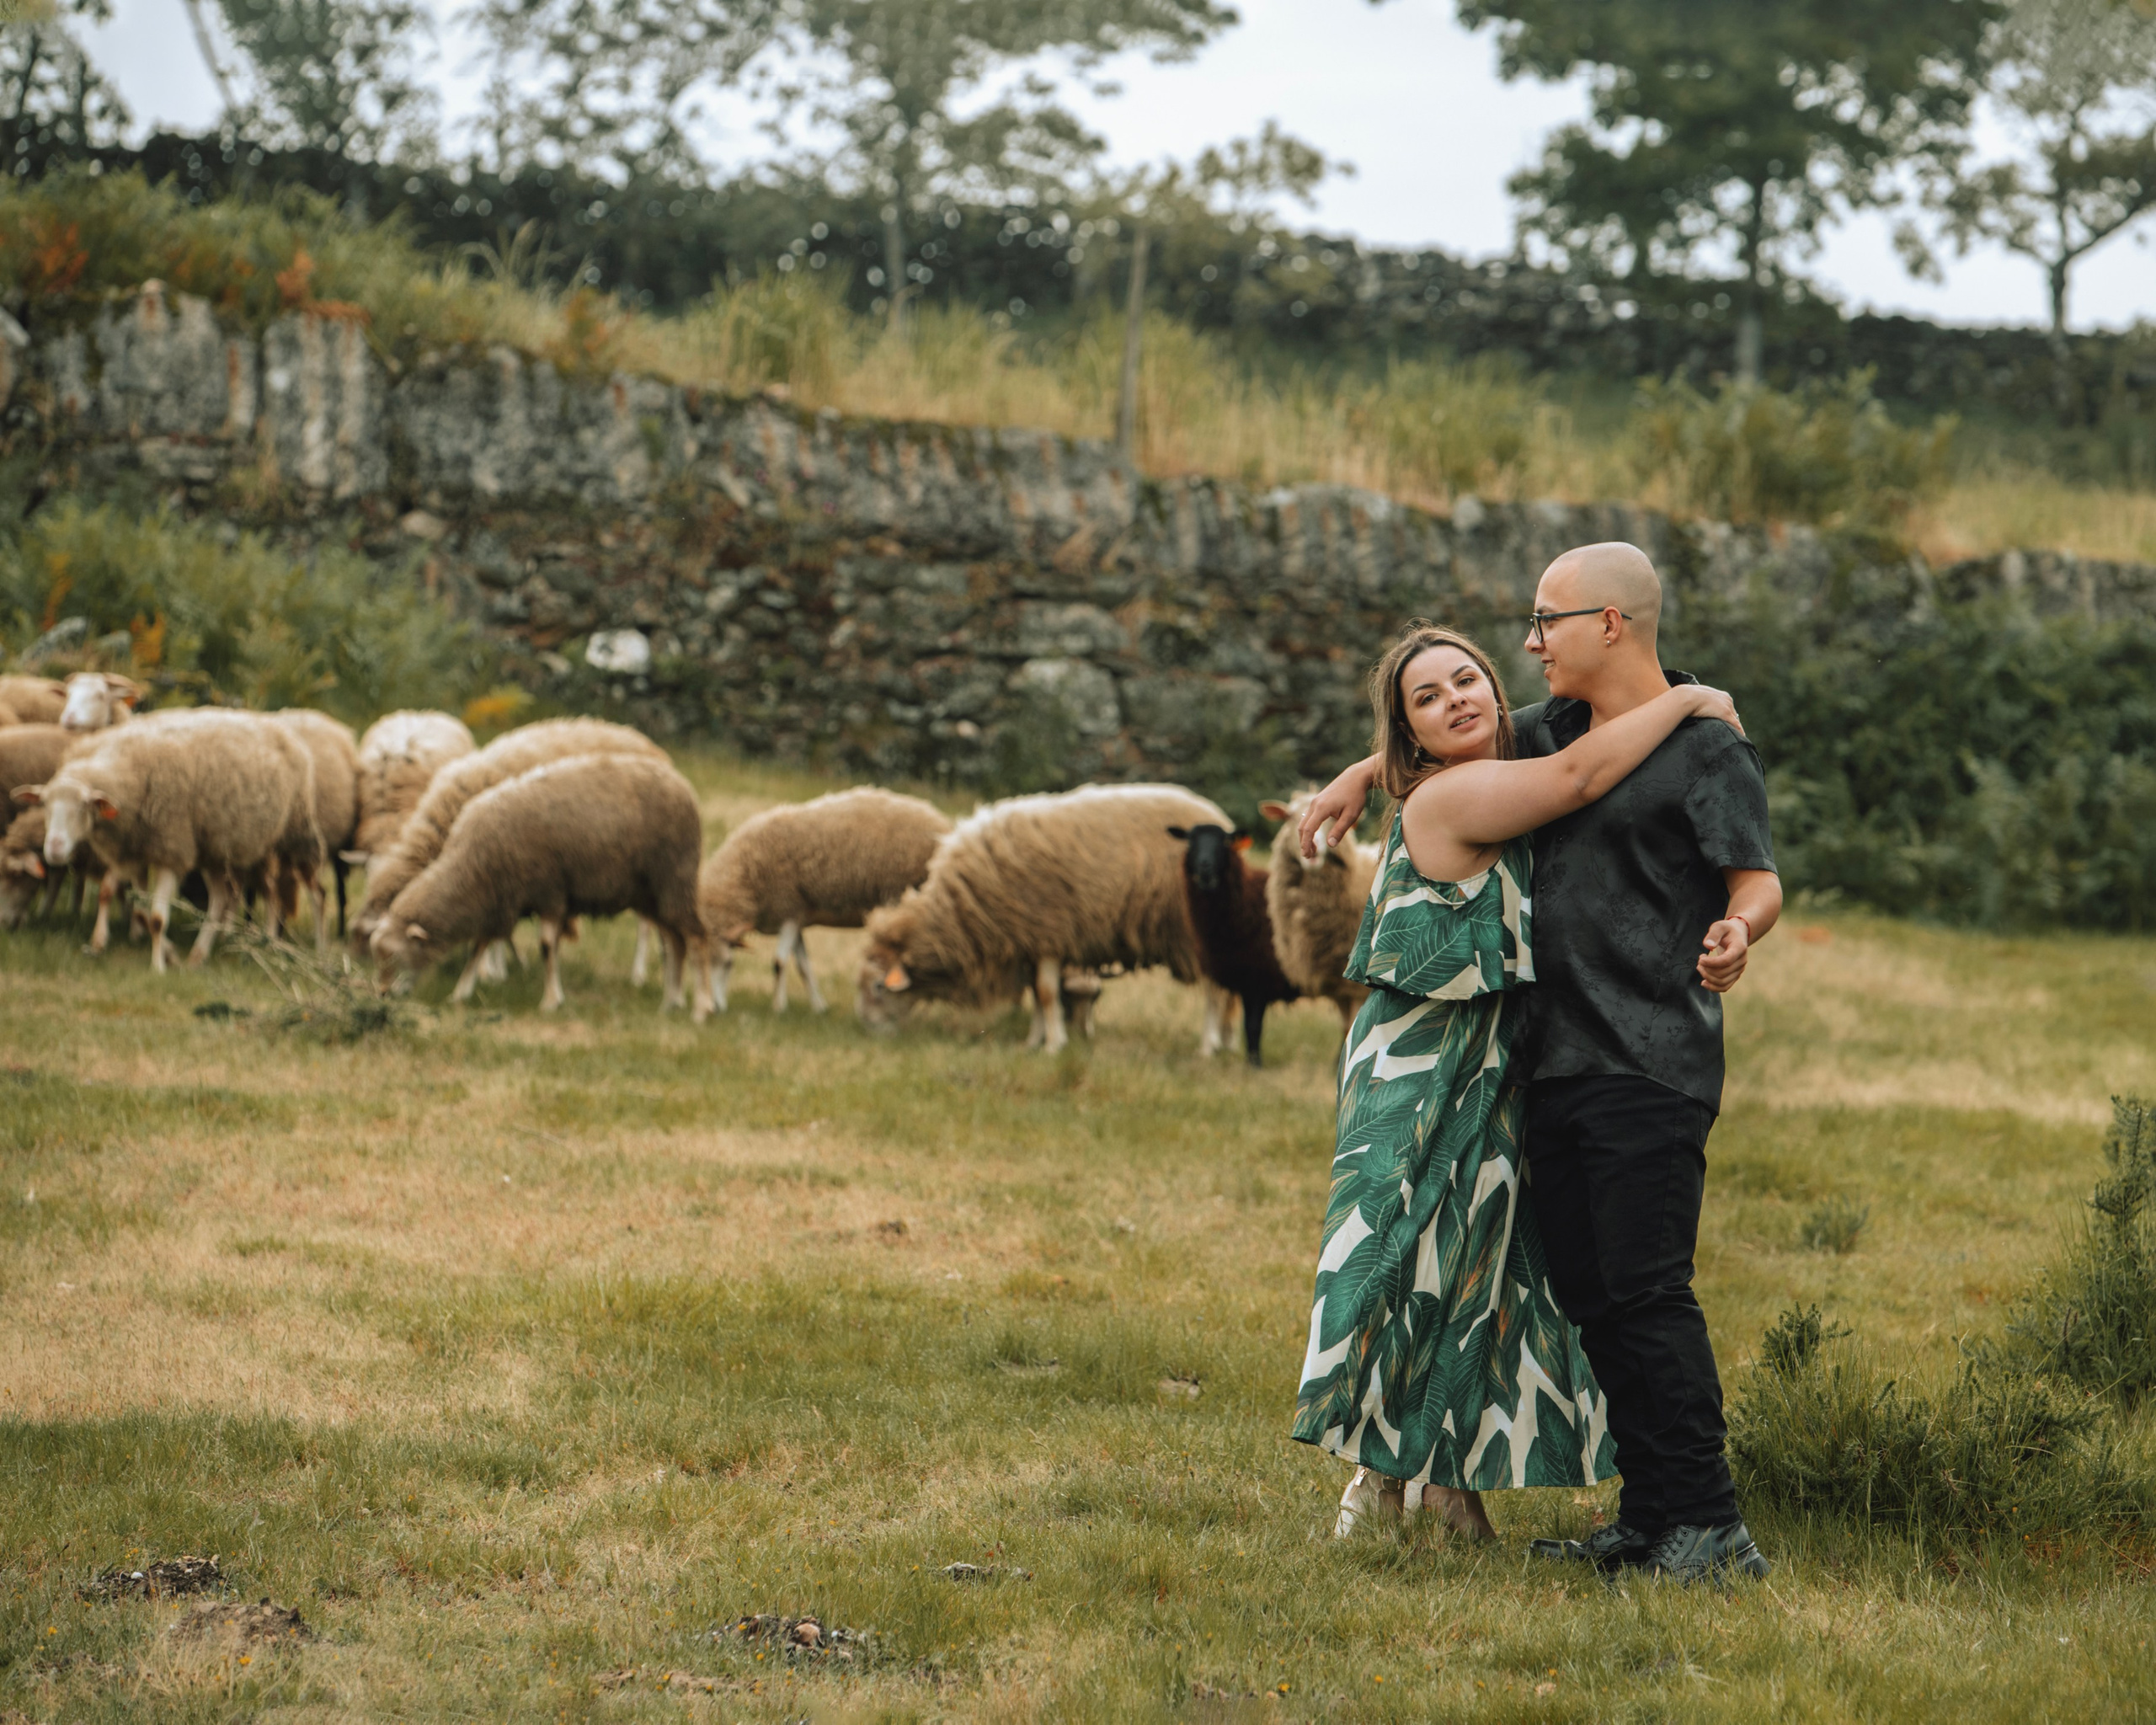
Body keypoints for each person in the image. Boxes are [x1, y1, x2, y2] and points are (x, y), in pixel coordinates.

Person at [1299, 543, 1780, 1585]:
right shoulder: (1560, 729)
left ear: (1608, 622)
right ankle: (1653, 1522)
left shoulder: (1710, 753)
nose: (1525, 643)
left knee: (1646, 1290)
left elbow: (1758, 879)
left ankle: (1710, 1526)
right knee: (1590, 1292)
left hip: (1649, 1052)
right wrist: (1351, 774)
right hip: (1548, 1061)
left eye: (1544, 620)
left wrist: (1741, 928)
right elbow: (1444, 749)